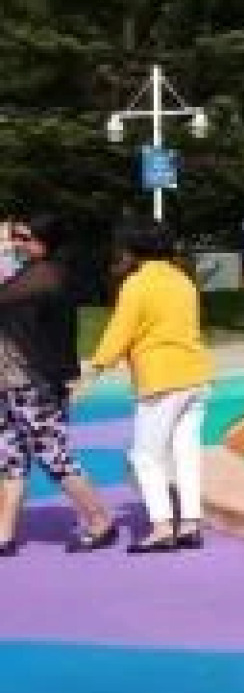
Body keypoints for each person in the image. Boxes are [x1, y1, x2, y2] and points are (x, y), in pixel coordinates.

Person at [75, 222, 214, 553]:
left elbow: (120, 330)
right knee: (185, 452)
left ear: (135, 250)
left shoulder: (137, 284)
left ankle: (162, 526)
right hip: (195, 375)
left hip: (161, 379)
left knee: (145, 456)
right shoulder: (183, 281)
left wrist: (93, 370)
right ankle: (191, 523)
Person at [0, 217, 118, 555]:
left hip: (33, 384)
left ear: (44, 242)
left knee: (54, 456)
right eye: (15, 237)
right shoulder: (30, 273)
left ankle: (100, 522)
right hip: (9, 383)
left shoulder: (47, 275)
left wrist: (3, 249)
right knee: (10, 458)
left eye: (24, 237)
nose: (17, 243)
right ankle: (3, 534)